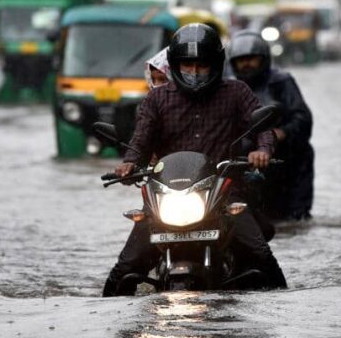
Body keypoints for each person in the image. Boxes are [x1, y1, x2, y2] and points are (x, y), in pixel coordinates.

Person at [103, 23, 287, 297]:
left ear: (216, 65)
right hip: (166, 197)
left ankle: (285, 310)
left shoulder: (237, 92)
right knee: (125, 268)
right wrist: (129, 163)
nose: (195, 73)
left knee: (261, 255)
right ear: (176, 65)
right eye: (188, 66)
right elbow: (141, 141)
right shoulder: (156, 99)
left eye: (202, 66)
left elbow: (263, 130)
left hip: (223, 195)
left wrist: (262, 152)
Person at [228, 30, 314, 221]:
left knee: (295, 219)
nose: (246, 64)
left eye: (252, 58)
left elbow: (303, 118)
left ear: (264, 59)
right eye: (241, 60)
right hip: (247, 162)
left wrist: (281, 133)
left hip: (288, 162)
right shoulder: (229, 87)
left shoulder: (281, 81)